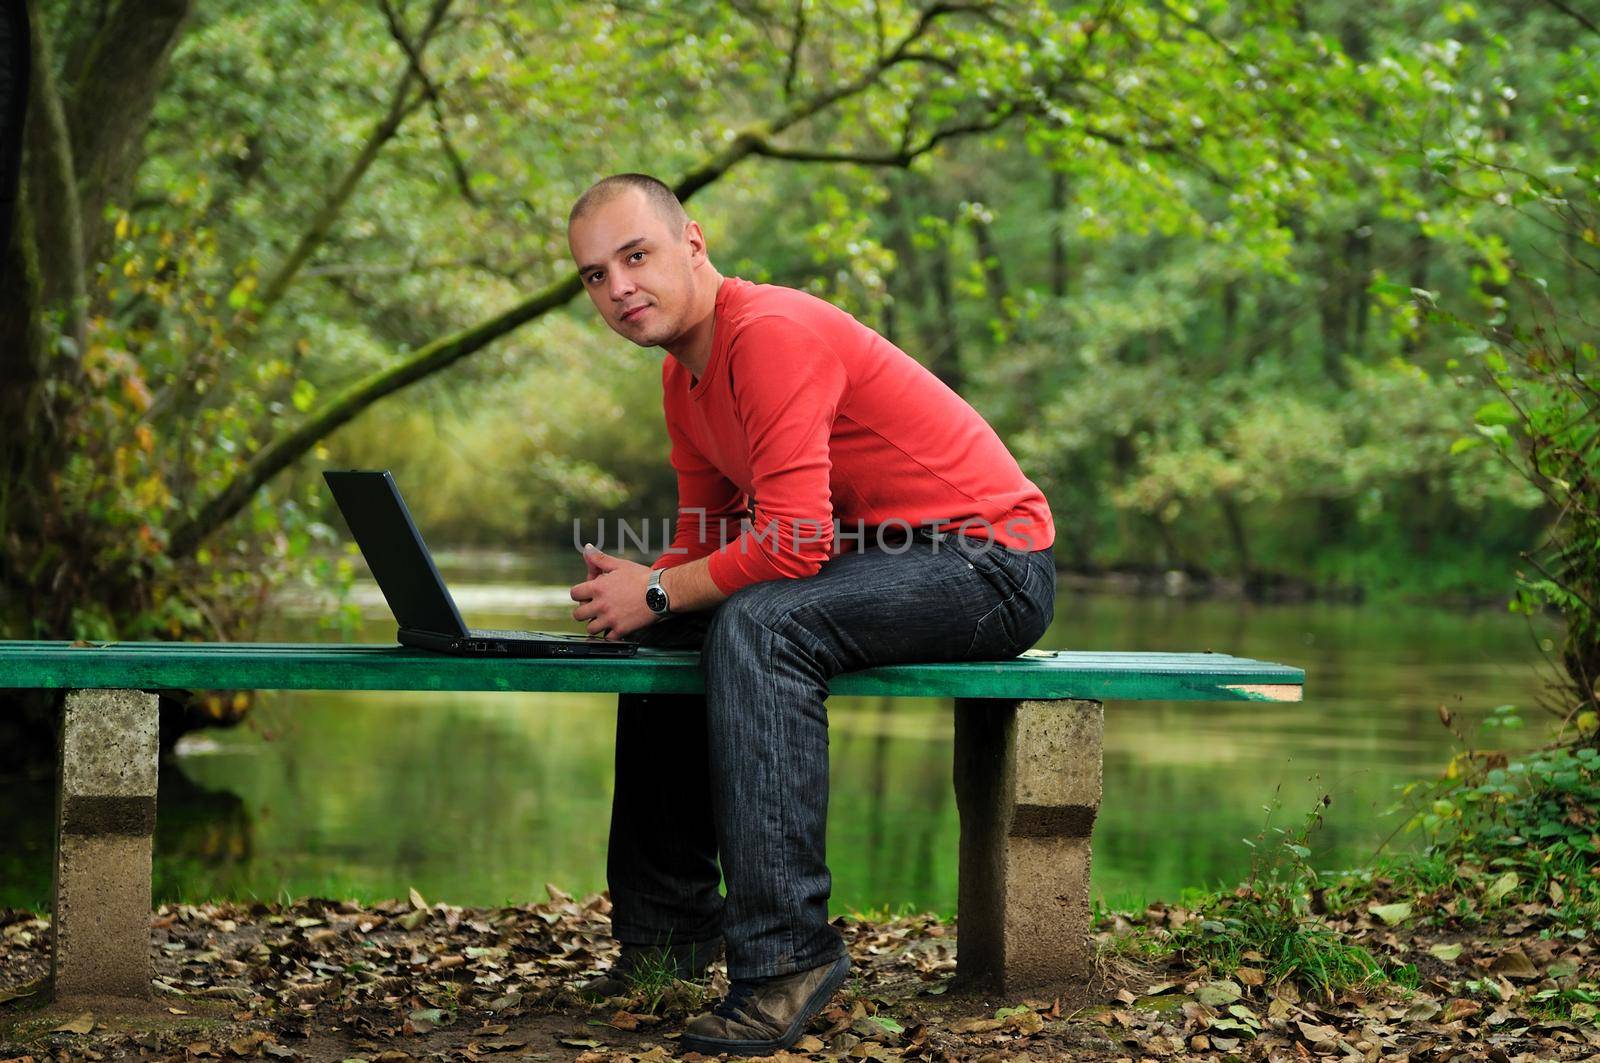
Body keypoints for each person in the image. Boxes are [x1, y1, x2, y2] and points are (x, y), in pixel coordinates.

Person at [565, 173, 1055, 1057]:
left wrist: (660, 587)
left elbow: (791, 544)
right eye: (596, 275)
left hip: (991, 562)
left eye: (635, 256)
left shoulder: (770, 336)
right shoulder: (687, 378)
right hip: (884, 560)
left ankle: (787, 956)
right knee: (676, 621)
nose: (619, 286)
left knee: (763, 625)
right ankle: (666, 937)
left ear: (694, 244)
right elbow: (708, 538)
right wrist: (639, 589)